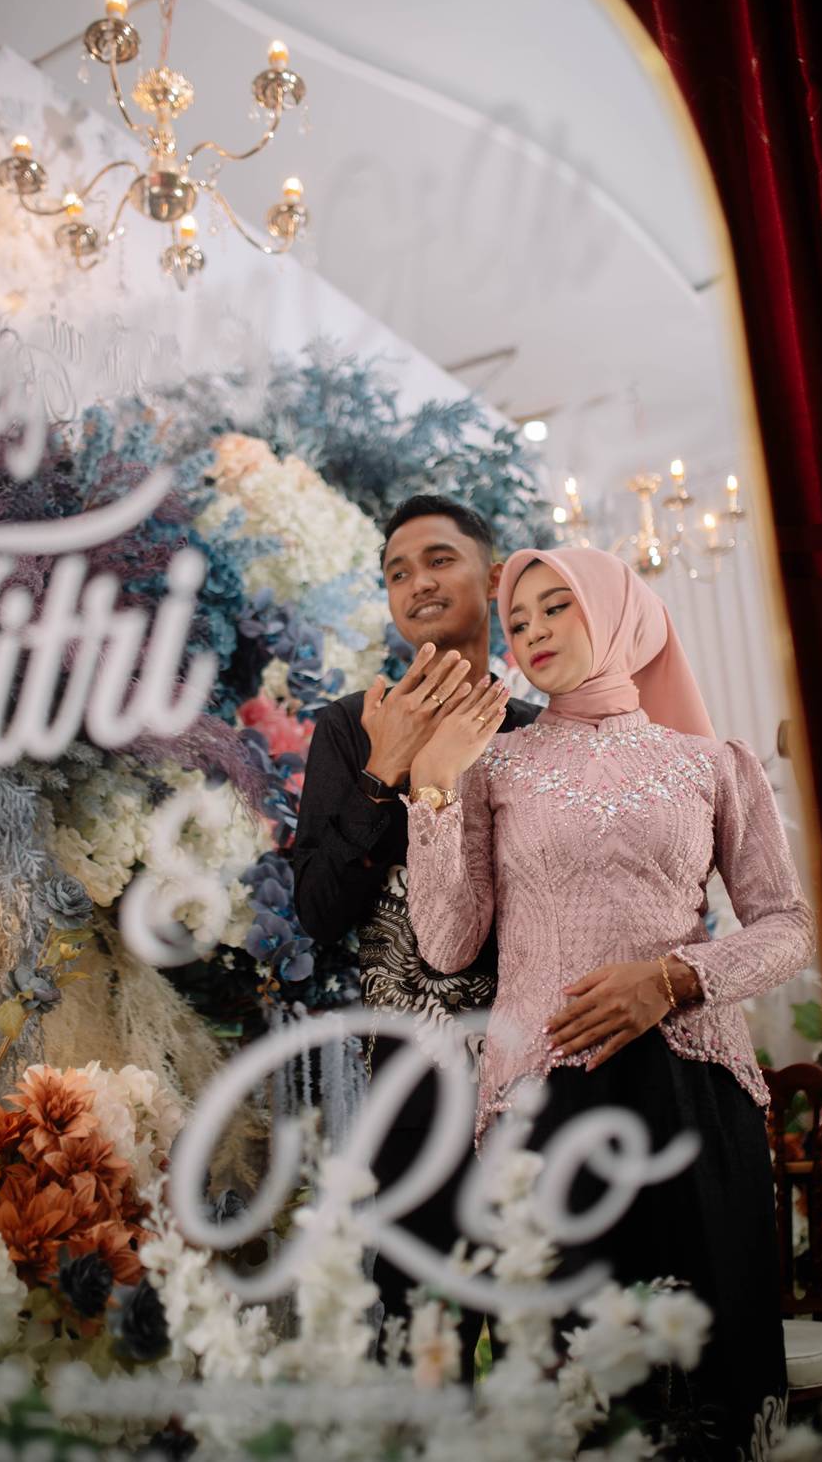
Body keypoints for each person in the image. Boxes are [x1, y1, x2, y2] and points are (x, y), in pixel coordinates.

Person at [402, 545, 815, 1459]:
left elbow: (790, 926)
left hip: (696, 1091)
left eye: (558, 607)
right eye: (518, 621)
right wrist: (432, 784)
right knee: (575, 1385)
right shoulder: (494, 767)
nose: (535, 631)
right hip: (545, 1097)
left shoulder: (711, 763)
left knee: (711, 1378)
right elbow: (448, 944)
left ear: (616, 613)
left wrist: (673, 979)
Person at [293, 495, 540, 1375]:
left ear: (494, 578)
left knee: (542, 1325)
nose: (418, 583)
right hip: (411, 1078)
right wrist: (384, 768)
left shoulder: (538, 734)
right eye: (398, 572)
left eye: (439, 560)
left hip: (535, 1067)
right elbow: (318, 911)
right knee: (422, 1336)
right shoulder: (349, 726)